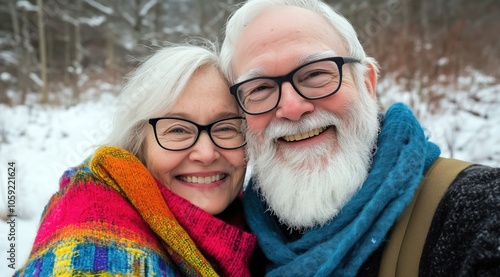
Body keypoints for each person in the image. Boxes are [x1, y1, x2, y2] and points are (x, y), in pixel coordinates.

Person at [219, 0, 500, 276]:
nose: (292, 108)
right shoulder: (234, 245)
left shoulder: (475, 212)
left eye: (316, 73)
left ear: (367, 84)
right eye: (259, 89)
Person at [14, 43, 260, 276]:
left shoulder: (260, 222)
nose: (206, 154)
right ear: (138, 143)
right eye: (177, 130)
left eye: (226, 128)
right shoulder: (92, 222)